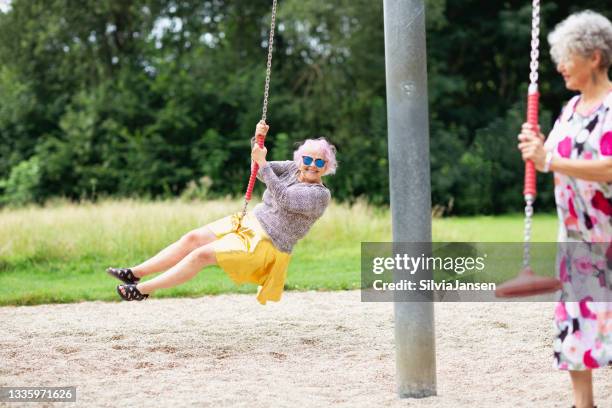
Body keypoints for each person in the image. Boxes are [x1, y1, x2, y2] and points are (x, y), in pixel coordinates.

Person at [107, 121, 337, 305]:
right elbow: (258, 170)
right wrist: (256, 141)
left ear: (327, 167)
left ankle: (141, 291)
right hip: (249, 221)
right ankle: (135, 273)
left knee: (200, 255)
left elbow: (284, 199)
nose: (312, 165)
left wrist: (263, 163)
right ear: (300, 158)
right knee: (192, 239)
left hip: (268, 242)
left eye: (319, 161)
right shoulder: (291, 167)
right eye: (307, 159)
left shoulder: (319, 195)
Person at [518, 10, 612, 408]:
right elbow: (549, 157)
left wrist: (550, 161)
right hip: (575, 240)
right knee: (576, 324)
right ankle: (582, 404)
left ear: (594, 56)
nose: (560, 65)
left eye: (567, 55)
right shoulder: (570, 110)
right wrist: (536, 148)